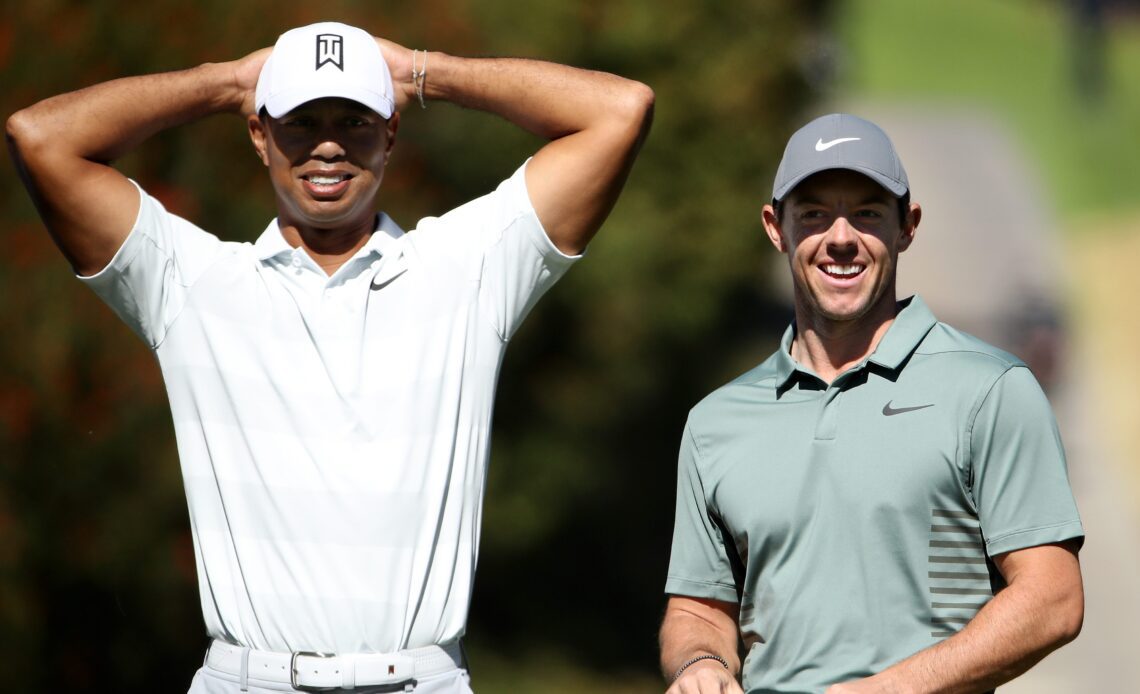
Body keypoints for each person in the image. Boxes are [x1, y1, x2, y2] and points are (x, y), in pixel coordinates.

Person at [7, 20, 653, 693]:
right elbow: (41, 137)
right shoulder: (194, 283)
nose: (327, 146)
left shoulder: (465, 270)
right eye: (299, 122)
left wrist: (425, 73)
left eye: (355, 121)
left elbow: (619, 110)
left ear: (391, 133)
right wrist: (226, 83)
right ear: (259, 134)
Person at [658, 113, 1083, 694]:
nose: (840, 237)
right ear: (774, 227)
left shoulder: (990, 390)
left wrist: (887, 690)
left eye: (866, 213)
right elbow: (699, 611)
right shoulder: (715, 424)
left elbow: (1053, 599)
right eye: (812, 214)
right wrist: (699, 663)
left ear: (907, 227)